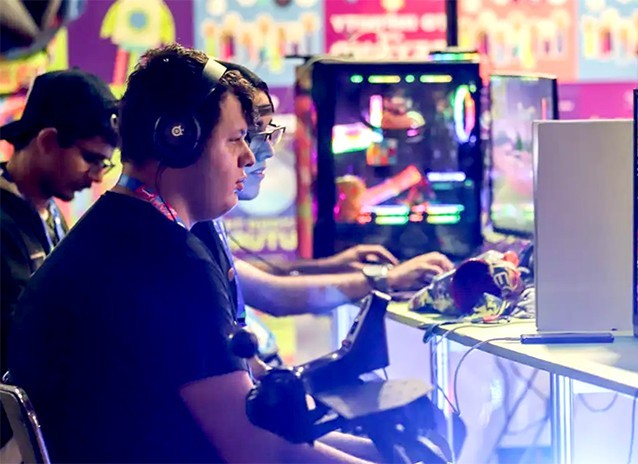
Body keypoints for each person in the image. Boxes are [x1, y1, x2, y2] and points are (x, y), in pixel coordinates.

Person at [9, 44, 380, 463]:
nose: (247, 156)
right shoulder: (171, 263)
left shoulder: (118, 231)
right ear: (178, 139)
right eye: (235, 139)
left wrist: (378, 453)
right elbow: (257, 451)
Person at [191, 62, 453, 360]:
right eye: (247, 135)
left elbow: (248, 276)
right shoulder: (186, 233)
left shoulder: (203, 223)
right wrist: (386, 278)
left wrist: (332, 265)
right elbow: (275, 295)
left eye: (267, 134)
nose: (261, 152)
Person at [0, 69, 118, 379]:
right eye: (91, 159)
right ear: (48, 140)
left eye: (104, 163)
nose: (97, 176)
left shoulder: (48, 214)